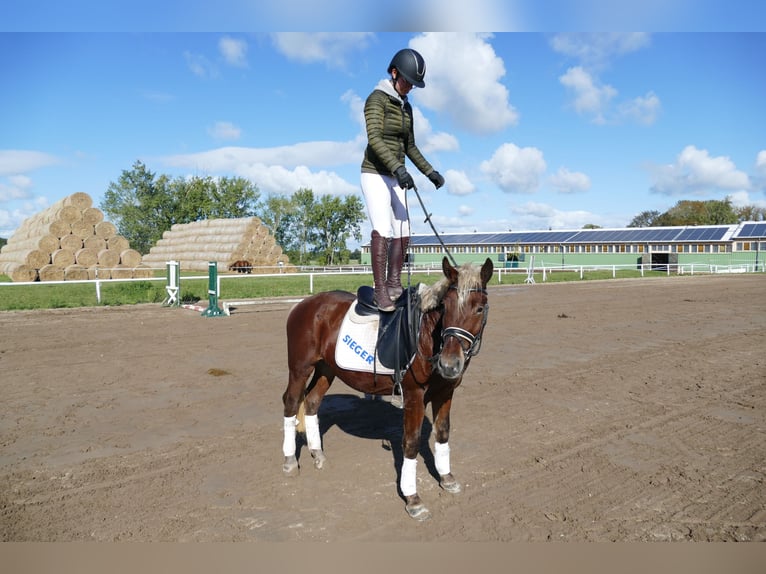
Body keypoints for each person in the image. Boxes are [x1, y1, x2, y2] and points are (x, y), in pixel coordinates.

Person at [360, 47, 445, 312]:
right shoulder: (376, 99)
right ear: (394, 73)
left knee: (404, 228)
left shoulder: (407, 107)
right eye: (407, 81)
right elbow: (374, 139)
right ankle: (380, 290)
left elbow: (410, 146)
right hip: (374, 173)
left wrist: (430, 172)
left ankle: (394, 283)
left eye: (413, 84)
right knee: (384, 228)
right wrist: (398, 168)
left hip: (397, 174)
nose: (409, 87)